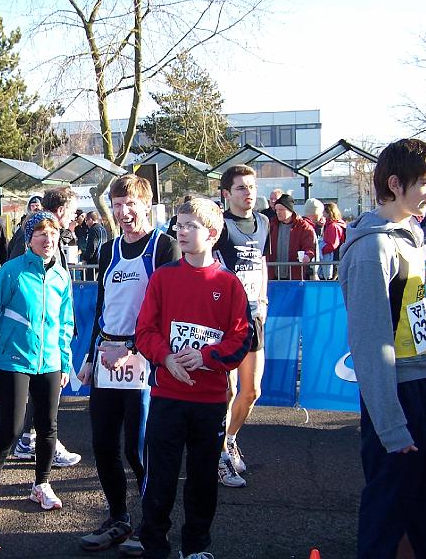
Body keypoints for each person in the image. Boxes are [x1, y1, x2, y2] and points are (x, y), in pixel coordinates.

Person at [339, 139, 426, 559]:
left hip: (419, 388)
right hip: (394, 397)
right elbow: (371, 342)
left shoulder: (411, 234)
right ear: (395, 183)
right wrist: (391, 425)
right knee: (386, 516)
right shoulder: (372, 249)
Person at [135, 198, 252, 559]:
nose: (180, 232)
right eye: (178, 224)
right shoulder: (164, 277)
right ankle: (154, 544)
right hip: (167, 397)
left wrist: (205, 357)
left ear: (213, 234)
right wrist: (165, 357)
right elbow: (144, 331)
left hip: (210, 402)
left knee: (202, 482)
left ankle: (196, 547)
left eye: (190, 226)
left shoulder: (229, 284)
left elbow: (240, 339)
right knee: (161, 479)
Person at [76, 174, 181, 556]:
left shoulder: (163, 247)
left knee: (138, 449)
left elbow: (168, 312)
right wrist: (90, 355)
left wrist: (135, 349)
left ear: (145, 204)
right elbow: (103, 307)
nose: (123, 212)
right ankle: (118, 516)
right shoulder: (109, 249)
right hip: (107, 357)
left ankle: (152, 525)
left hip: (144, 360)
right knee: (103, 444)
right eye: (117, 205)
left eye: (129, 204)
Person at [0, 212, 74, 512]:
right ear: (29, 239)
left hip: (50, 362)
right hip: (13, 361)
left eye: (53, 233)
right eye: (41, 233)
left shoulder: (62, 276)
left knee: (48, 426)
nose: (48, 239)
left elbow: (65, 324)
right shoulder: (11, 271)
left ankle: (41, 485)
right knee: (12, 427)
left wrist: (64, 363)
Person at [11, 187, 81, 469]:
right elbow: (20, 274)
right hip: (36, 329)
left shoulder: (49, 233)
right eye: (73, 210)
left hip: (49, 326)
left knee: (44, 390)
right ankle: (39, 442)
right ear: (62, 210)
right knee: (44, 391)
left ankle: (29, 439)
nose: (75, 216)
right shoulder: (33, 232)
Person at [215, 165, 270, 488]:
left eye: (251, 187)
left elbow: (261, 261)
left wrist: (264, 300)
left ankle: (230, 438)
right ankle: (219, 456)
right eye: (241, 188)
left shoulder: (263, 222)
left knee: (251, 391)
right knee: (228, 390)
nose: (248, 193)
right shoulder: (221, 226)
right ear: (227, 193)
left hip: (255, 318)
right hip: (226, 322)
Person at [268, 193, 316, 280]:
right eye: (276, 210)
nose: (278, 212)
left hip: (295, 275)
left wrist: (308, 256)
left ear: (290, 210)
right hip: (274, 275)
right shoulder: (272, 225)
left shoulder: (303, 226)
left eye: (281, 209)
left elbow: (309, 246)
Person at [320, 202, 346, 280]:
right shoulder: (336, 224)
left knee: (330, 281)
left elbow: (332, 245)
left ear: (328, 212)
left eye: (323, 211)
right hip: (336, 257)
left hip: (333, 258)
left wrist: (319, 250)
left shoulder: (333, 226)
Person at [79, 211, 108, 281]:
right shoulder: (103, 229)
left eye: (86, 220)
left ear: (91, 219)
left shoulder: (93, 230)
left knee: (91, 283)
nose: (86, 223)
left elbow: (92, 247)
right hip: (102, 260)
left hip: (94, 261)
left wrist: (85, 259)